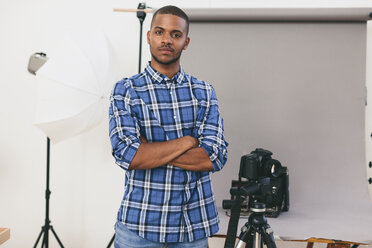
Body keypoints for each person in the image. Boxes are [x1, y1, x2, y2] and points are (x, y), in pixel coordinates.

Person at [109, 5, 228, 248]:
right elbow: (127, 154)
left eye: (176, 34)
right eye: (160, 32)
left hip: (192, 227)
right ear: (149, 36)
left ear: (186, 42)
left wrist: (149, 150)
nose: (167, 40)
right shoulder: (126, 90)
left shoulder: (204, 92)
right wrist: (187, 142)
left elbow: (214, 157)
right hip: (139, 227)